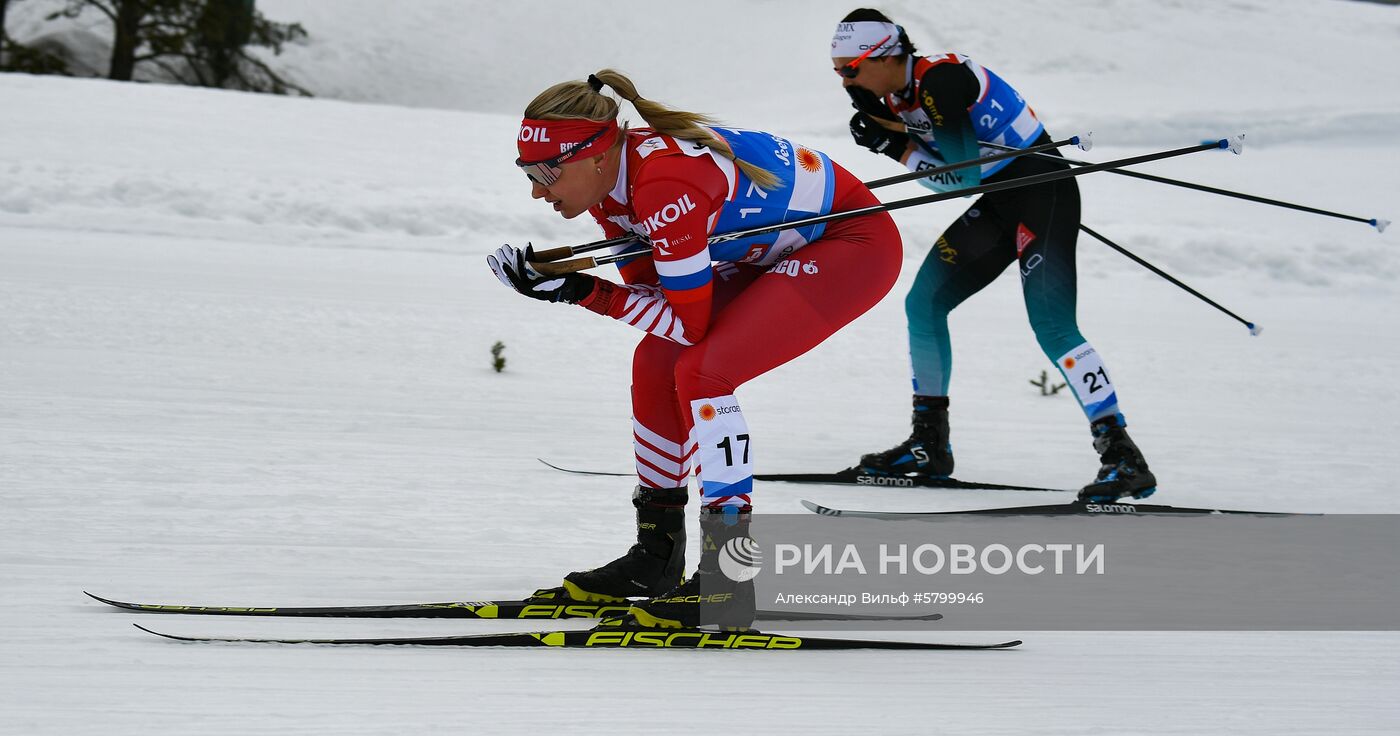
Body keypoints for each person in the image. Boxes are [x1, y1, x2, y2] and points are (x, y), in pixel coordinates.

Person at [487, 69, 902, 628]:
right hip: (769, 248)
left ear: (597, 154)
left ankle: (728, 576)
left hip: (850, 245)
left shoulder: (663, 185)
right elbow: (656, 299)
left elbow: (688, 325)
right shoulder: (611, 189)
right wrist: (577, 287)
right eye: (527, 172)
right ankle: (655, 558)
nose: (537, 189)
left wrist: (582, 291)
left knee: (705, 372)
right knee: (655, 362)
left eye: (546, 171)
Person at [829, 9, 1157, 502]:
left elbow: (960, 178)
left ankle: (1122, 455)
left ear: (883, 56)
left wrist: (894, 148)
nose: (844, 80)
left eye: (850, 69)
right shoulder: (895, 96)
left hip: (1043, 193)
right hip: (1003, 200)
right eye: (837, 71)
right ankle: (929, 444)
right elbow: (964, 173)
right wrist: (891, 135)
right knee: (924, 304)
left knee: (1053, 327)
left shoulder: (938, 82)